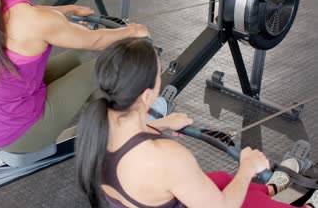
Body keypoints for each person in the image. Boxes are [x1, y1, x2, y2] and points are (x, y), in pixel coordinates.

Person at [75, 37, 318, 208]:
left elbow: (129, 146)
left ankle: (271, 188)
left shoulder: (96, 124)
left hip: (142, 197)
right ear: (147, 96)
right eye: (158, 77)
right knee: (241, 192)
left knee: (221, 179)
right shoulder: (169, 157)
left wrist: (161, 124)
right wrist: (247, 167)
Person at [0, 0, 149, 157]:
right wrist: (133, 31)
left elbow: (32, 12)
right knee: (99, 67)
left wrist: (67, 11)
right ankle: (120, 128)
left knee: (71, 60)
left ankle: (105, 115)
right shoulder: (36, 21)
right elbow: (97, 41)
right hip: (19, 135)